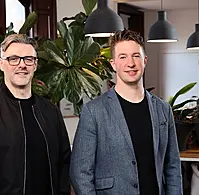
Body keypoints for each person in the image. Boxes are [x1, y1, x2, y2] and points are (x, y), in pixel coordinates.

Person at [70, 29, 182, 195]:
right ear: (114, 64)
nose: (131, 63)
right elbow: (80, 172)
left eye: (136, 56)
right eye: (123, 57)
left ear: (145, 60)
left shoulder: (163, 109)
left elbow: (172, 166)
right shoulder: (94, 111)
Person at [0, 34, 71, 195]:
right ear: (1, 64)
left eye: (28, 59)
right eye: (14, 59)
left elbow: (64, 161)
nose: (22, 65)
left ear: (35, 65)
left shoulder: (51, 111)